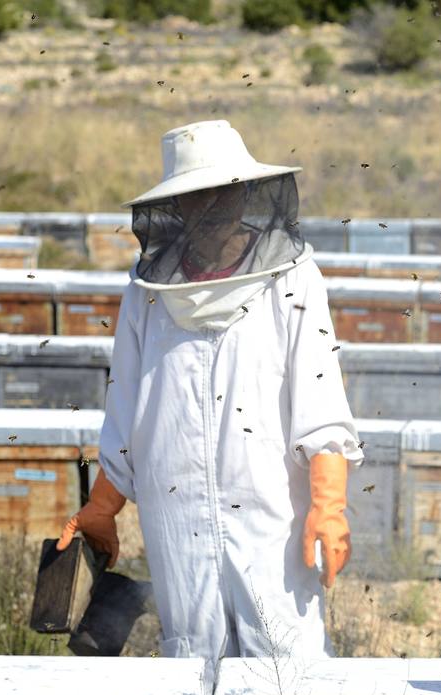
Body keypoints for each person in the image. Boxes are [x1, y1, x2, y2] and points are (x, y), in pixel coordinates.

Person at [57, 119, 360, 659]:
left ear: (245, 195)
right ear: (177, 205)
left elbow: (321, 400)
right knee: (193, 661)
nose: (213, 207)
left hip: (271, 512)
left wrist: (329, 504)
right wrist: (102, 506)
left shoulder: (292, 279)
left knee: (287, 660)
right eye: (198, 196)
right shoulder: (146, 293)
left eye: (223, 193)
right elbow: (126, 408)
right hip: (176, 513)